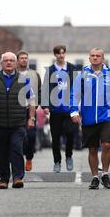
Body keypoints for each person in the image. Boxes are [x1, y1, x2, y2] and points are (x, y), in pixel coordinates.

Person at [71, 48, 110, 190]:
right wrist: (73, 111)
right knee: (92, 149)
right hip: (89, 118)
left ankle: (105, 174)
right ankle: (95, 177)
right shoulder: (82, 75)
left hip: (107, 116)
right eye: (93, 56)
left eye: (98, 56)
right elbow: (74, 95)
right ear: (89, 58)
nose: (95, 58)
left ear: (103, 58)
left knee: (107, 145)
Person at [0, 52, 36, 190]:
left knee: (16, 149)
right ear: (2, 63)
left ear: (16, 63)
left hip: (18, 123)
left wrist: (31, 118)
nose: (8, 63)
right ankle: (3, 179)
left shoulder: (23, 79)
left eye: (11, 60)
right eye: (6, 60)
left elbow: (31, 100)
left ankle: (18, 177)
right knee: (2, 152)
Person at [42, 45, 78, 173]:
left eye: (63, 53)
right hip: (55, 109)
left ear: (65, 54)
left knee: (70, 134)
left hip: (69, 109)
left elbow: (78, 88)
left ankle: (69, 156)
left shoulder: (72, 68)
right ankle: (57, 161)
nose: (61, 55)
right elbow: (45, 88)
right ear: (55, 55)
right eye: (58, 53)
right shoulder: (51, 70)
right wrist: (45, 106)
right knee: (55, 137)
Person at [17, 51, 42, 172]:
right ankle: (18, 160)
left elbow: (40, 90)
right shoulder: (13, 74)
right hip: (16, 110)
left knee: (31, 136)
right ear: (17, 60)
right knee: (19, 136)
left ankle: (29, 158)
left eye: (26, 58)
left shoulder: (35, 74)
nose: (24, 60)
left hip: (30, 110)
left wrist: (37, 105)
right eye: (21, 58)